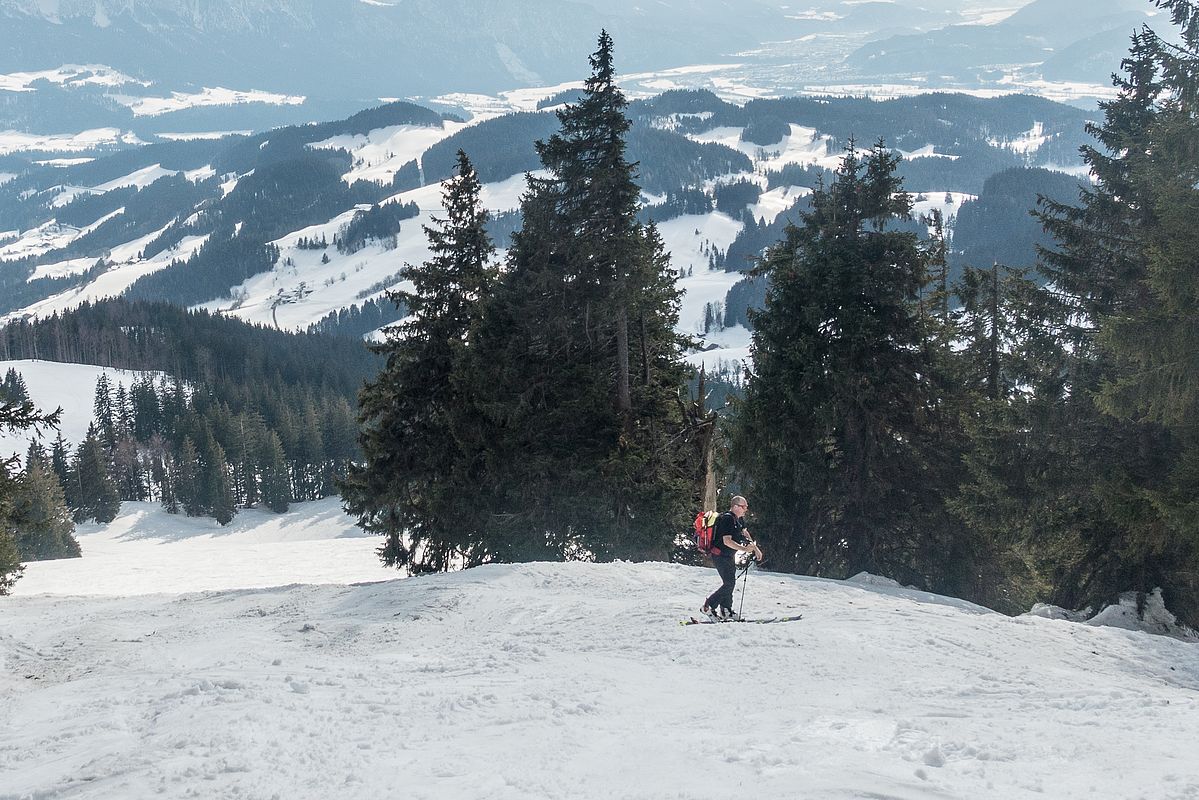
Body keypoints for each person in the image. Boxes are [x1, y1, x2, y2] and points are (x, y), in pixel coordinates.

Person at [702, 495, 762, 620]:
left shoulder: (738, 519)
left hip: (728, 556)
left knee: (729, 582)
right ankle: (708, 606)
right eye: (743, 506)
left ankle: (726, 610)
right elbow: (727, 541)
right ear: (735, 506)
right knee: (729, 583)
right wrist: (745, 549)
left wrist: (755, 549)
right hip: (720, 555)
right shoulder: (727, 519)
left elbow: (745, 533)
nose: (746, 509)